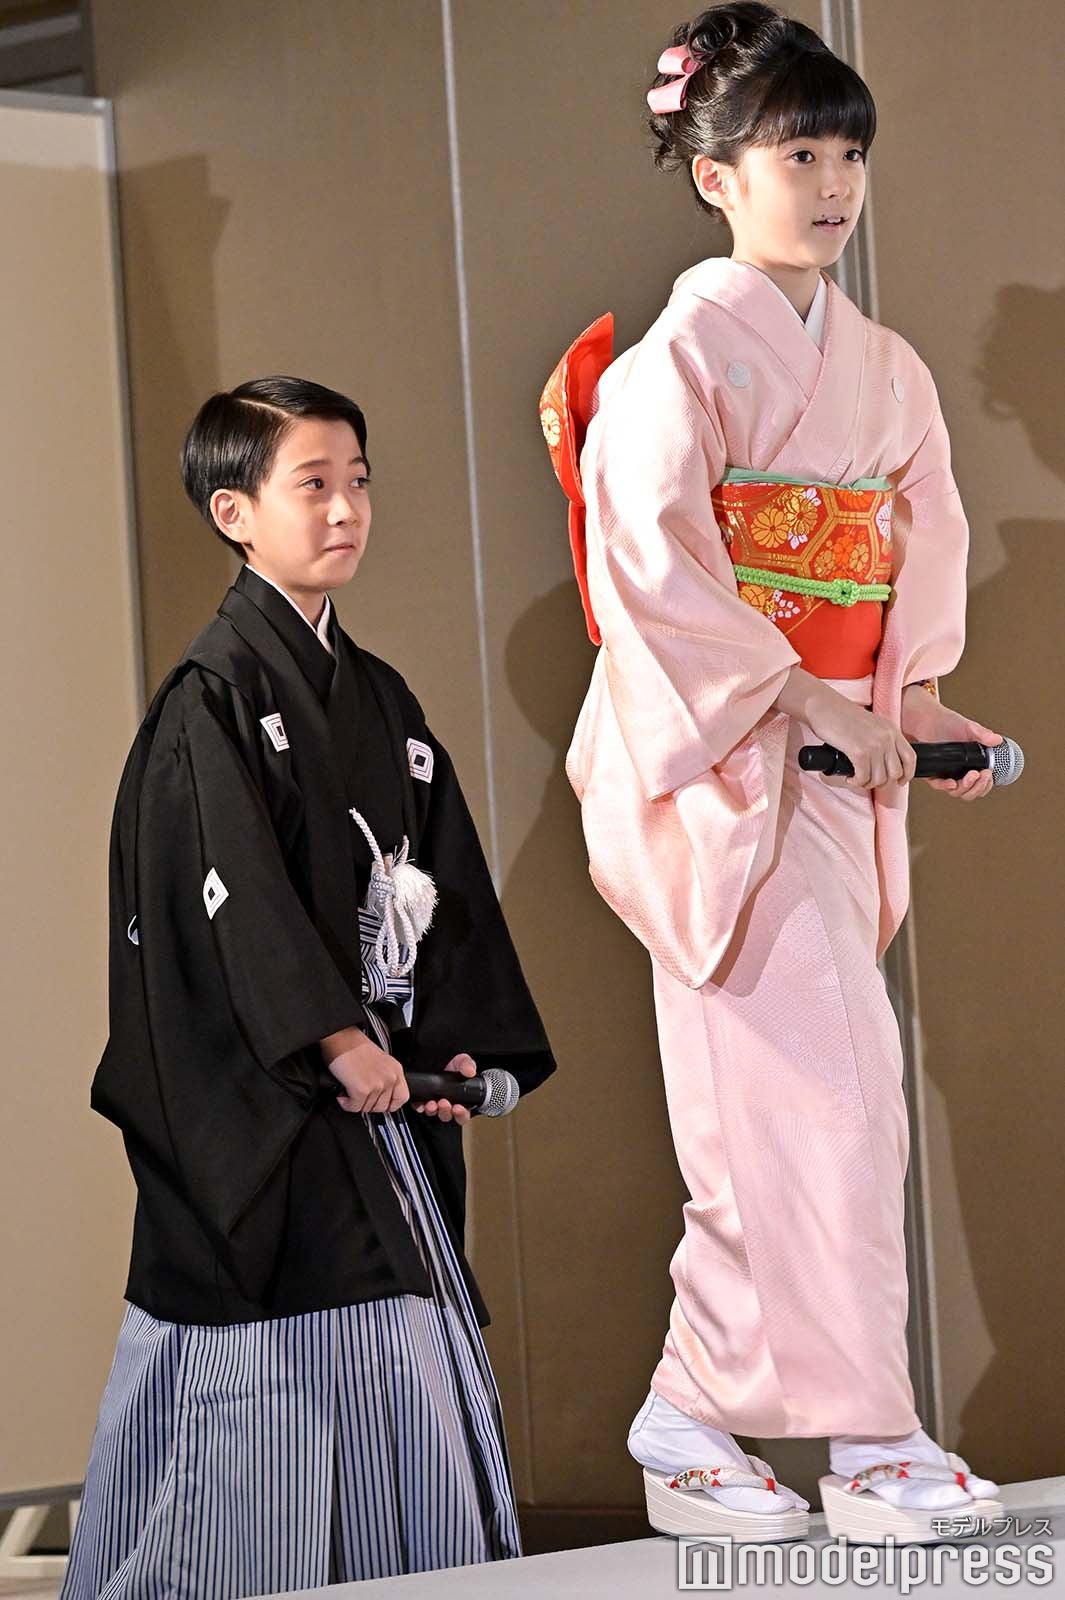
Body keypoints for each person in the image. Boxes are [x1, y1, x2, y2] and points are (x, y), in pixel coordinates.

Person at [539, 2, 1003, 1546]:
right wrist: (797, 686)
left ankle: (687, 1423)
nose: (831, 184)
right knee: (834, 1102)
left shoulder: (885, 370)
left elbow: (910, 552)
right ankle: (871, 1445)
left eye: (847, 154)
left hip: (832, 766)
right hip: (723, 775)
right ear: (712, 175)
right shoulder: (673, 366)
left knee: (775, 1123)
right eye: (796, 154)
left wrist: (912, 699)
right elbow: (653, 578)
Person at [63, 376, 555, 1598]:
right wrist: (335, 1041)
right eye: (314, 485)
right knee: (283, 1342)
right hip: (283, 1100)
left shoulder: (377, 696)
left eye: (359, 482)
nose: (347, 510)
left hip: (376, 1087)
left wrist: (455, 1050)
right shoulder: (211, 699)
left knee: (403, 1319)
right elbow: (231, 901)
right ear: (233, 513)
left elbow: (443, 875)